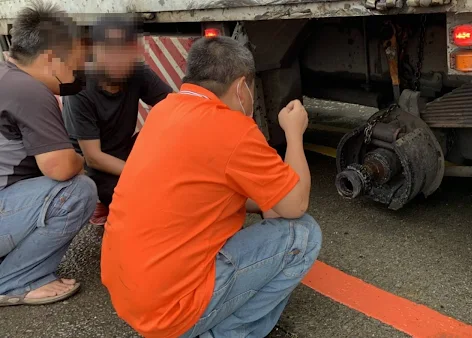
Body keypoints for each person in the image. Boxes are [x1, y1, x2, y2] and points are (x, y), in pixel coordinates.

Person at [101, 36, 322, 338]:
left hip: (130, 294)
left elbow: (198, 194)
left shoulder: (164, 111)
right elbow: (295, 205)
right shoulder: (233, 129)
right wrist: (294, 134)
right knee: (304, 234)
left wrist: (261, 202)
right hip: (171, 311)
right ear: (241, 86)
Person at [0, 2, 97, 306]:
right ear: (51, 59)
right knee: (78, 191)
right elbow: (60, 167)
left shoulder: (6, 74)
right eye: (72, 68)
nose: (75, 77)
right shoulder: (28, 90)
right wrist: (81, 160)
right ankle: (15, 282)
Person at [62, 14, 172, 226]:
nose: (118, 59)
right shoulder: (78, 89)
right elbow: (93, 157)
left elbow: (174, 108)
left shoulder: (137, 72)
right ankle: (101, 203)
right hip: (94, 167)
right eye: (109, 49)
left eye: (125, 50)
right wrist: (145, 174)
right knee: (148, 201)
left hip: (125, 150)